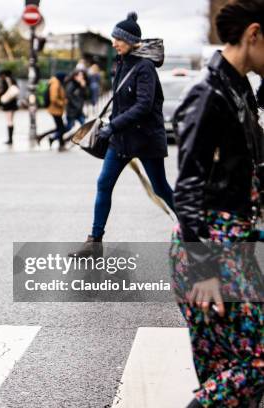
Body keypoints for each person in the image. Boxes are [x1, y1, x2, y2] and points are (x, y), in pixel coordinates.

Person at [170, 1, 264, 406]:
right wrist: (204, 268)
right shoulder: (209, 95)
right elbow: (188, 186)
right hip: (211, 249)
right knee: (256, 364)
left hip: (227, 244)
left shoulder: (239, 90)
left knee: (224, 374)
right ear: (254, 35)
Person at [72, 12, 175, 258]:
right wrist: (112, 126)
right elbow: (120, 102)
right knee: (103, 184)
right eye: (114, 38)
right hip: (121, 141)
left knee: (160, 188)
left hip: (146, 140)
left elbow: (144, 106)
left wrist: (113, 125)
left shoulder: (145, 68)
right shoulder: (122, 63)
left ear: (131, 41)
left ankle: (194, 231)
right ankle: (94, 242)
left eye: (117, 39)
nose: (113, 43)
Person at [36, 71, 68, 150]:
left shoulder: (56, 82)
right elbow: (53, 98)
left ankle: (60, 143)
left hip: (56, 109)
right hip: (55, 109)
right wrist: (62, 103)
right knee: (61, 128)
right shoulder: (55, 84)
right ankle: (41, 136)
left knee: (60, 127)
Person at [0, 70, 19, 145]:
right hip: (13, 103)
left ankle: (10, 139)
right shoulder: (13, 80)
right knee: (11, 121)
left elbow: (3, 92)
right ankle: (11, 138)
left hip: (8, 104)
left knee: (9, 121)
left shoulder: (5, 81)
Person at [64, 70, 88, 134]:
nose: (82, 77)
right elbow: (68, 96)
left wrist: (84, 87)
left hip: (79, 111)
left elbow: (85, 97)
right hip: (72, 111)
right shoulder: (71, 84)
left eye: (82, 75)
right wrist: (77, 105)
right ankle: (55, 136)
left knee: (84, 125)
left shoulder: (80, 85)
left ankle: (83, 141)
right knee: (69, 127)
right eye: (80, 75)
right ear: (75, 77)